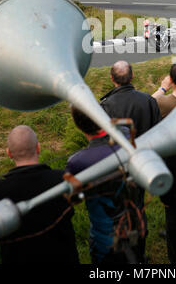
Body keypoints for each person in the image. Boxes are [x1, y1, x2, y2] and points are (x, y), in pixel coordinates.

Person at [0, 125, 79, 264]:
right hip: (63, 257)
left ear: (9, 153)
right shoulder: (64, 179)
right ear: (38, 148)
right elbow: (79, 199)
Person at [66, 107, 147, 264]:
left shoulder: (76, 162)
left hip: (104, 238)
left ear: (78, 126)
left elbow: (73, 198)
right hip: (137, 224)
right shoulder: (126, 134)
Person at [100, 61, 162, 138]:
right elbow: (159, 129)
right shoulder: (149, 100)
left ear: (112, 78)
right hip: (148, 147)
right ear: (132, 76)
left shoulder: (105, 105)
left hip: (122, 149)